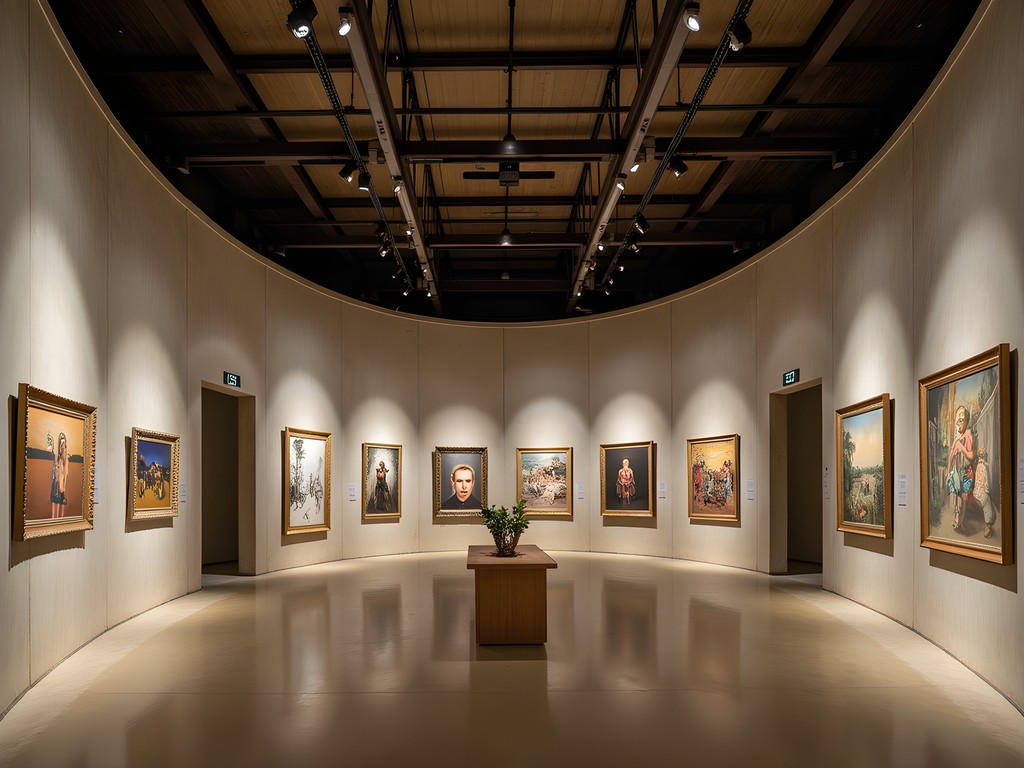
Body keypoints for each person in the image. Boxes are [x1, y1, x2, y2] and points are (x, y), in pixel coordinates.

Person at [946, 405, 975, 532]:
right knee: (957, 496)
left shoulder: (968, 435)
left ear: (966, 421)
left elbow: (971, 456)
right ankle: (957, 520)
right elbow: (951, 456)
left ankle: (960, 522)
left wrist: (961, 448)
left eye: (961, 420)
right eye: (957, 419)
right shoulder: (957, 438)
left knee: (963, 497)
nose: (959, 423)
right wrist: (948, 472)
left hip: (966, 473)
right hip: (957, 472)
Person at [49, 432, 69, 519]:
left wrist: (63, 486)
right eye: (60, 442)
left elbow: (65, 473)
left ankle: (59, 522)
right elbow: (54, 470)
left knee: (60, 503)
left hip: (60, 483)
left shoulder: (65, 458)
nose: (61, 445)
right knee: (54, 502)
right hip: (55, 483)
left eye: (63, 443)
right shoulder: (57, 456)